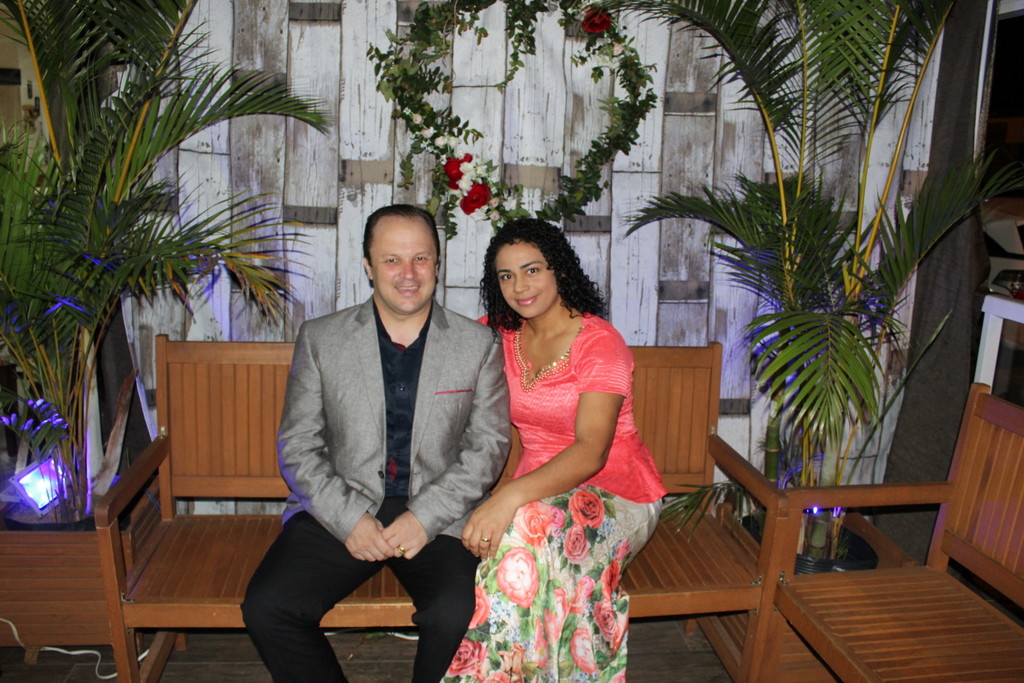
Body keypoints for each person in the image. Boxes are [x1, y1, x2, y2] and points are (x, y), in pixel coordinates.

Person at [242, 204, 511, 683]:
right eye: (392, 260)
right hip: (340, 504)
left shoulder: (478, 345)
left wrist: (423, 518)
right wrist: (349, 519)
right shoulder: (321, 339)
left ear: (437, 264)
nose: (408, 273)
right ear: (368, 266)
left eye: (420, 258)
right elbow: (298, 445)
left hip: (440, 514)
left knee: (458, 612)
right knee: (269, 607)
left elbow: (487, 448)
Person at [445, 218, 667, 681]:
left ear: (559, 270)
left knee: (521, 531)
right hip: (538, 496)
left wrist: (507, 496)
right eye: (506, 276)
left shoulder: (599, 343)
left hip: (619, 491)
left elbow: (591, 452)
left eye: (532, 270)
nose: (519, 286)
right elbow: (438, 345)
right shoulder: (499, 334)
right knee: (527, 543)